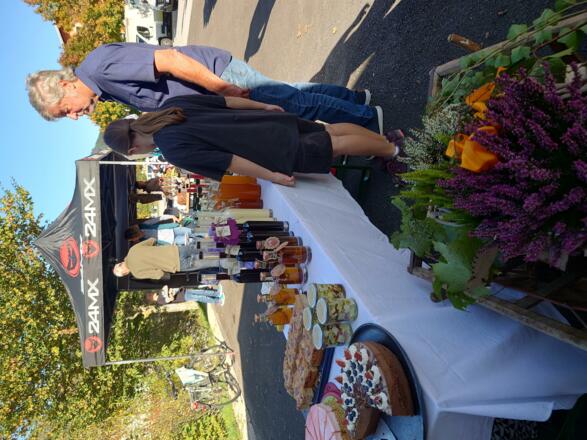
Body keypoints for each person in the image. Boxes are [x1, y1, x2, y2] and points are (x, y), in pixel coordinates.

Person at [26, 42, 382, 132]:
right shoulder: (101, 83)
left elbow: (170, 60)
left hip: (217, 77)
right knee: (291, 92)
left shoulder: (101, 69)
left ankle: (370, 121)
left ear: (65, 86)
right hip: (216, 83)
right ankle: (356, 99)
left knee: (294, 104)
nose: (74, 116)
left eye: (66, 110)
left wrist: (222, 88)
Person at [103, 95, 400, 186]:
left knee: (335, 145)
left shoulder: (172, 151)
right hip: (267, 123)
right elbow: (226, 101)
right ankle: (384, 142)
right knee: (331, 131)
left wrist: (273, 176)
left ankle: (393, 150)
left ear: (133, 149)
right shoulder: (170, 105)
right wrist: (263, 107)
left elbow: (230, 161)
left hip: (270, 149)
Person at [112, 238, 235, 280]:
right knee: (202, 248)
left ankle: (238, 262)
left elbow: (158, 274)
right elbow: (151, 240)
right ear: (121, 263)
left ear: (125, 272)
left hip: (177, 264)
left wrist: (164, 273)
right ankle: (231, 247)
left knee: (210, 261)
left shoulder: (137, 273)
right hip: (175, 250)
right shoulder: (132, 250)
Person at [145, 285, 225, 305]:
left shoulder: (159, 292)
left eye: (151, 293)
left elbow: (165, 287)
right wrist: (169, 293)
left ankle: (217, 293)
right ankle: (218, 301)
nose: (152, 293)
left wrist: (169, 293)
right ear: (151, 298)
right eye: (150, 294)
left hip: (183, 291)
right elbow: (170, 299)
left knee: (201, 292)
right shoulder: (160, 301)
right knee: (200, 297)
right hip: (183, 297)